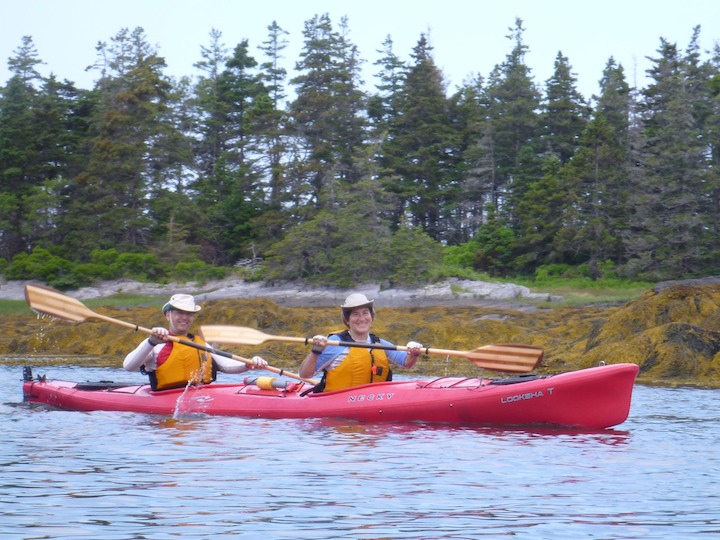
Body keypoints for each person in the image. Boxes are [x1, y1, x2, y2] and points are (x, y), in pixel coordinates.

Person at [124, 293, 268, 391]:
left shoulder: (199, 344)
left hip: (201, 396)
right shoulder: (156, 343)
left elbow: (226, 365)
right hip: (165, 398)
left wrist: (248, 364)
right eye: (179, 313)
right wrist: (151, 342)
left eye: (189, 314)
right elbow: (129, 366)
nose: (184, 317)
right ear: (168, 315)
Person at [298, 293, 423, 392]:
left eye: (365, 313)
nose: (361, 318)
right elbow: (305, 374)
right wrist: (315, 351)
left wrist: (414, 353)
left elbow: (406, 363)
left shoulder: (379, 344)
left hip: (374, 403)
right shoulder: (335, 343)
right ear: (347, 320)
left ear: (371, 317)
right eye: (355, 314)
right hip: (338, 412)